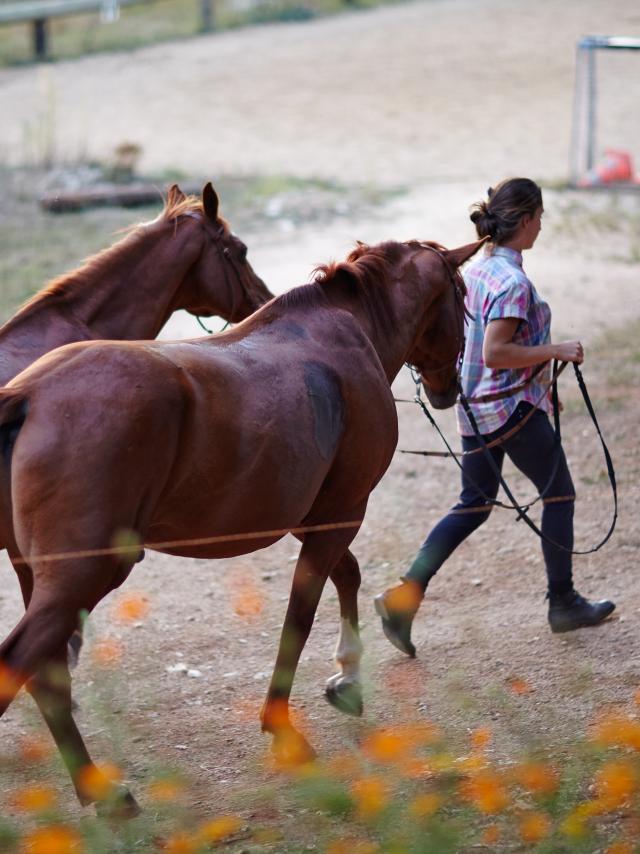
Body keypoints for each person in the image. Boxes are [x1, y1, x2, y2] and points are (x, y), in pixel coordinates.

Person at [374, 177, 615, 657]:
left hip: (477, 408)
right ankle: (563, 602)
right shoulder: (512, 282)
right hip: (510, 409)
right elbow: (498, 350)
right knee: (560, 494)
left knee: (474, 504)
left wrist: (544, 382)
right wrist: (557, 350)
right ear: (524, 221)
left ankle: (403, 599)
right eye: (540, 218)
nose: (541, 226)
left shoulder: (479, 270)